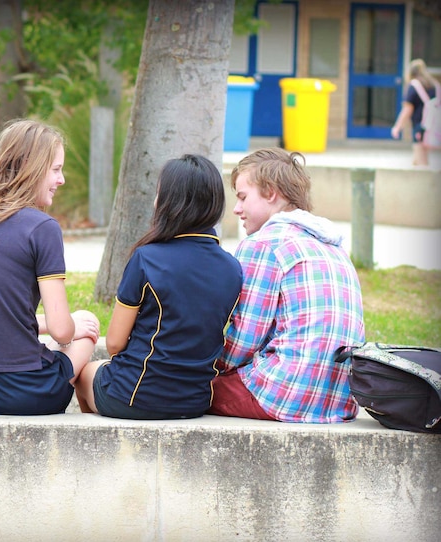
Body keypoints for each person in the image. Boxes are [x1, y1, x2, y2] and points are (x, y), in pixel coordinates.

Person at [0, 119, 100, 415]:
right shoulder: (43, 227)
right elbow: (62, 331)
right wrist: (75, 323)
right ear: (32, 167)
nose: (62, 179)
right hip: (26, 393)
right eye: (56, 169)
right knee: (87, 325)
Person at [74, 155, 242, 420]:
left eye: (159, 193)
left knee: (84, 374)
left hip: (135, 395)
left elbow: (116, 344)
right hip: (195, 401)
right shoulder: (232, 269)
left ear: (170, 203)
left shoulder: (147, 258)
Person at [208, 147, 365, 423]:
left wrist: (211, 368)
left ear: (270, 193)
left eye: (243, 197)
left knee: (179, 389)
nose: (236, 209)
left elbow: (245, 338)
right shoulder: (333, 245)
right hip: (340, 399)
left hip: (284, 393)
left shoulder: (263, 244)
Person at [392, 59, 439, 167]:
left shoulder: (414, 86)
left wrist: (397, 127)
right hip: (434, 125)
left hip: (421, 125)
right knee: (423, 158)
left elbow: (407, 109)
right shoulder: (434, 85)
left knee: (420, 161)